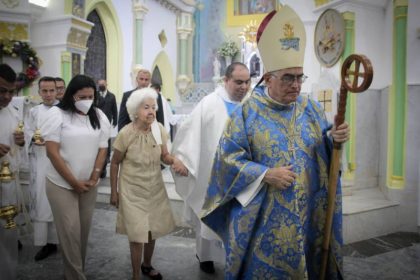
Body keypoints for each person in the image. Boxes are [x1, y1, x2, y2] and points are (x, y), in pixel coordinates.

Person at [201, 6, 350, 279]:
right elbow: (226, 161)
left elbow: (323, 149)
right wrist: (265, 174)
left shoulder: (311, 108)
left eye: (299, 77)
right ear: (268, 78)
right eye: (288, 78)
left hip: (307, 215)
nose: (296, 85)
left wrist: (334, 140)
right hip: (264, 223)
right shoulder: (247, 113)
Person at [171, 62, 251, 273]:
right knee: (209, 215)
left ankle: (235, 259)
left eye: (247, 82)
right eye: (238, 82)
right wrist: (185, 160)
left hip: (241, 173)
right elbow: (190, 131)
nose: (244, 86)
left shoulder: (251, 103)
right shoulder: (209, 103)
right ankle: (205, 256)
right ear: (226, 81)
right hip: (213, 174)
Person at [110, 87, 187, 280]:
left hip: (154, 187)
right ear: (135, 111)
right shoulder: (126, 134)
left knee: (152, 230)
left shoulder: (158, 129)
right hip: (131, 190)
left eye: (154, 107)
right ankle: (136, 275)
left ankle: (147, 265)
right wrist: (114, 191)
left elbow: (165, 156)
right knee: (137, 235)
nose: (152, 111)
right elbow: (115, 162)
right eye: (146, 107)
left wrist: (175, 161)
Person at [41, 74, 111, 279]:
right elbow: (52, 152)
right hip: (61, 184)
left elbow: (102, 149)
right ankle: (77, 276)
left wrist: (95, 175)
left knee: (82, 234)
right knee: (70, 233)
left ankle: (73, 272)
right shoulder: (57, 114)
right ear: (71, 95)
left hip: (89, 184)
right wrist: (73, 182)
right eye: (81, 97)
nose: (86, 101)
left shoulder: (99, 115)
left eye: (90, 96)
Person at [25, 76, 59, 261]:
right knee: (41, 201)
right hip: (39, 160)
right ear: (39, 92)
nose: (48, 94)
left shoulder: (63, 110)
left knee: (56, 202)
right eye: (44, 91)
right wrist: (32, 138)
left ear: (56, 91)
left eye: (51, 90)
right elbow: (27, 130)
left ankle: (56, 241)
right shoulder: (34, 111)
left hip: (58, 163)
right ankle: (45, 243)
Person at [0, 63, 24, 280]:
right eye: (2, 90)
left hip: (7, 186)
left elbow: (18, 151)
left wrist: (21, 142)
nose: (7, 96)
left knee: (8, 235)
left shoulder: (13, 113)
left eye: (11, 91)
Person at [96, 79, 118, 178]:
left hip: (107, 123)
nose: (101, 86)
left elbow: (114, 110)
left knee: (106, 142)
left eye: (103, 84)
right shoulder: (95, 95)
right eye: (100, 84)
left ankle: (106, 160)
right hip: (96, 123)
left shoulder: (112, 96)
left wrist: (115, 120)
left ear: (106, 84)